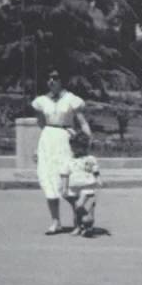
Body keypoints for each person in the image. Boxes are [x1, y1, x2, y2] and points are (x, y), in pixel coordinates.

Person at [32, 70, 92, 235]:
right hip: (47, 142)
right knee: (48, 181)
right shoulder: (42, 101)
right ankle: (55, 221)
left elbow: (83, 122)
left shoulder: (72, 100)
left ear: (62, 81)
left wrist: (87, 141)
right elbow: (41, 125)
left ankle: (78, 221)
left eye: (55, 78)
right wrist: (37, 148)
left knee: (67, 182)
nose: (51, 81)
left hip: (66, 140)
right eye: (49, 78)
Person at [60, 133, 102, 237]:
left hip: (87, 187)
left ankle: (88, 226)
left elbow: (95, 171)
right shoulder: (69, 160)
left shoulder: (90, 159)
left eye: (78, 148)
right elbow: (65, 174)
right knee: (76, 209)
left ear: (85, 147)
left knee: (82, 206)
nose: (74, 150)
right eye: (73, 147)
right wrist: (64, 188)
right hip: (74, 188)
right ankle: (78, 227)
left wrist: (98, 179)